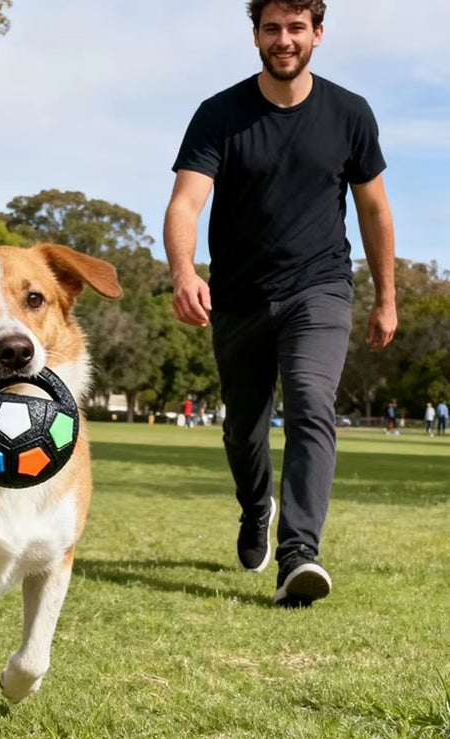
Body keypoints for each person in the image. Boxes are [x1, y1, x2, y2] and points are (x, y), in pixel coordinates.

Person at [163, 0, 397, 607]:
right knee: (242, 428)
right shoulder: (220, 115)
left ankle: (299, 555)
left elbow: (374, 209)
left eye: (297, 28)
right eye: (272, 28)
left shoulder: (350, 114)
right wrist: (184, 271)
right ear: (257, 37)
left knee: (311, 405)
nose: (284, 39)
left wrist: (386, 297)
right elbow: (187, 202)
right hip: (238, 298)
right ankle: (254, 507)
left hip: (320, 287)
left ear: (318, 33)